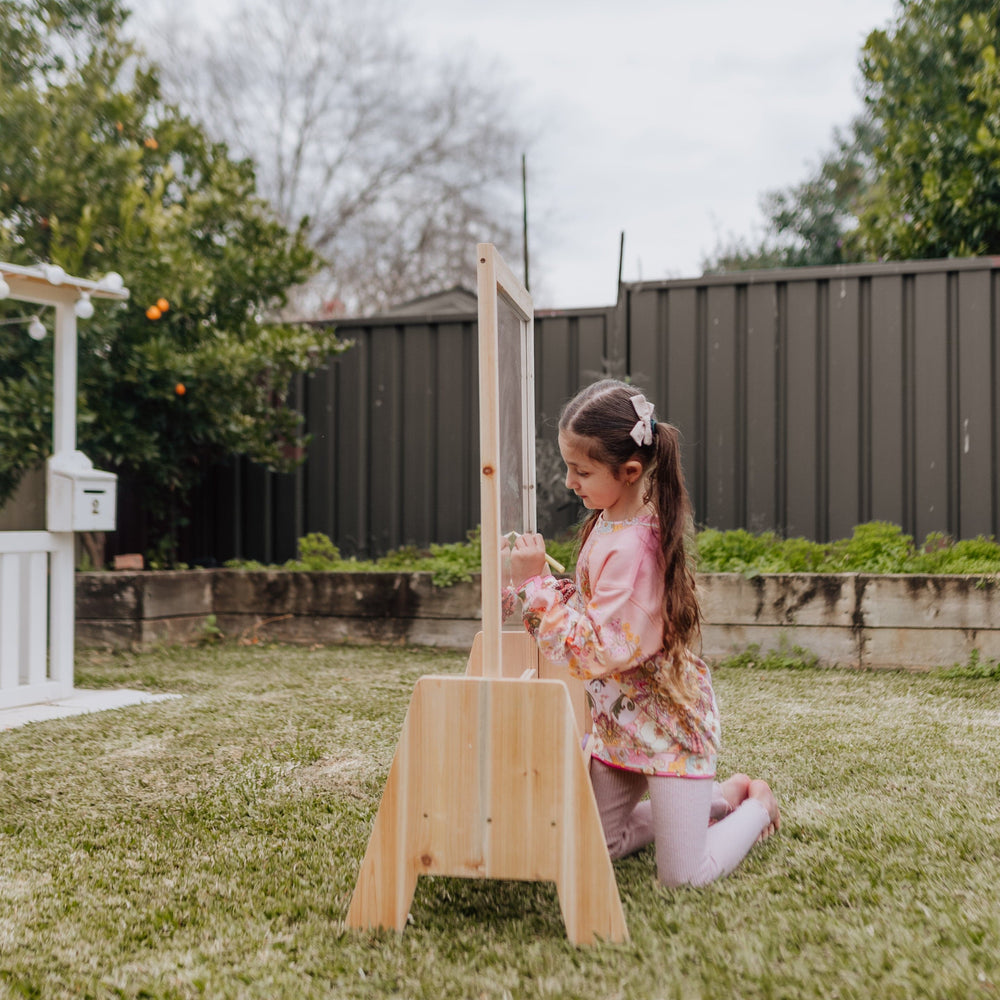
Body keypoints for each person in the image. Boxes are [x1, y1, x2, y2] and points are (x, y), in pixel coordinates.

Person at [504, 379, 780, 888]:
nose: (569, 482)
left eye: (581, 470)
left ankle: (756, 806)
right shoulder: (608, 521)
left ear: (629, 472)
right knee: (595, 844)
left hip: (667, 726)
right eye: (569, 467)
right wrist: (532, 592)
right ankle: (721, 795)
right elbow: (592, 611)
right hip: (619, 723)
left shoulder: (633, 548)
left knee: (684, 876)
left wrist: (536, 587)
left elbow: (597, 650)